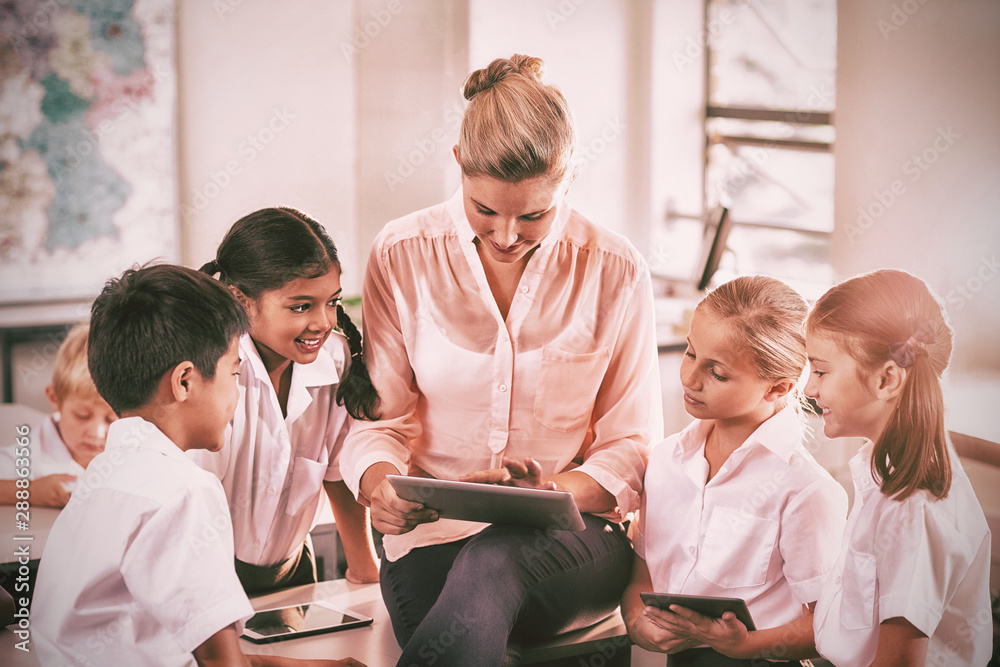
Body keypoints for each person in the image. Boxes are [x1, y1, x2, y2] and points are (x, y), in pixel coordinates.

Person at [341, 54, 663, 666]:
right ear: (459, 163)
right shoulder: (400, 254)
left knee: (494, 559)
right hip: (426, 541)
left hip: (572, 541)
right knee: (467, 626)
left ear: (568, 177)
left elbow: (634, 444)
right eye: (485, 209)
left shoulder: (615, 270)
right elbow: (378, 421)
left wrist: (554, 490)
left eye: (534, 215)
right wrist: (380, 488)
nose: (508, 235)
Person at [32, 264, 362, 667]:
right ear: (184, 381)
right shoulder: (186, 490)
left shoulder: (101, 479)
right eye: (234, 373)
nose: (237, 394)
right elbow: (223, 664)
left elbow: (201, 655)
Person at [621, 276, 848, 665]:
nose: (690, 379)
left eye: (717, 373)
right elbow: (643, 562)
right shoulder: (663, 461)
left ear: (778, 389)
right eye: (691, 354)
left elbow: (830, 625)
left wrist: (743, 645)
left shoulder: (805, 490)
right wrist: (635, 619)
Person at [806, 269, 992, 665]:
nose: (809, 388)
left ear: (887, 379)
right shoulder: (886, 472)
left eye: (820, 371)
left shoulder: (911, 507)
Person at [193, 207, 380, 594]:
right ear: (241, 300)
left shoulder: (336, 359)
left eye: (331, 301)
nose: (324, 322)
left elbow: (336, 473)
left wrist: (365, 570)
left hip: (293, 574)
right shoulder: (211, 374)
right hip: (209, 583)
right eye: (300, 306)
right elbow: (190, 508)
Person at [0, 323, 116, 508]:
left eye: (111, 419)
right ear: (55, 398)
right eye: (82, 415)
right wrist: (30, 492)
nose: (97, 433)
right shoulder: (29, 456)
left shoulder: (133, 444)